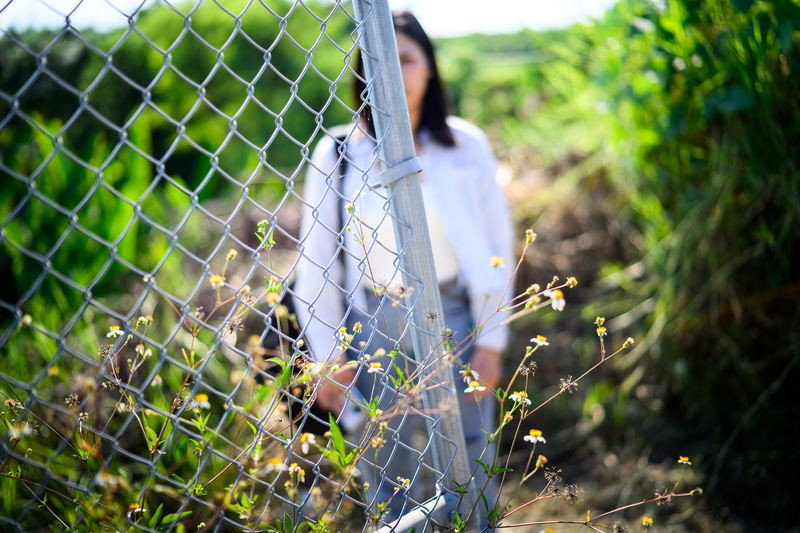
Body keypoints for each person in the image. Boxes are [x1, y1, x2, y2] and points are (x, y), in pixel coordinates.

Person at [293, 10, 514, 526]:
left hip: (456, 315)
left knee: (470, 449)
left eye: (407, 58)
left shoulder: (465, 145)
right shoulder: (338, 152)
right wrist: (328, 357)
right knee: (386, 457)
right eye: (380, 60)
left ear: (430, 67)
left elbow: (500, 246)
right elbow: (316, 259)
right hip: (373, 319)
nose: (394, 71)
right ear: (361, 71)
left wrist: (492, 342)